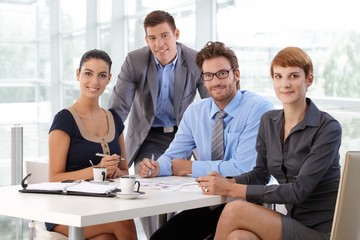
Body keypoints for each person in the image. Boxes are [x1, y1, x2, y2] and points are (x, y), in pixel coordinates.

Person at [197, 47, 342, 240]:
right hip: (292, 222)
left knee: (235, 209)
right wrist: (229, 182)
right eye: (278, 76)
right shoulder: (269, 121)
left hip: (324, 233)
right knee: (239, 237)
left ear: (308, 80)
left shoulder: (328, 128)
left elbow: (298, 191)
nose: (285, 84)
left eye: (293, 76)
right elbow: (260, 174)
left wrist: (230, 189)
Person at [140, 41, 274, 240]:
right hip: (208, 201)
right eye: (209, 76)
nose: (216, 82)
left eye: (222, 73)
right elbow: (173, 157)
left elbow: (244, 168)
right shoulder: (196, 111)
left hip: (246, 201)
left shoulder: (258, 109)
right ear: (203, 80)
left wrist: (189, 167)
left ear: (236, 75)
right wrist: (156, 167)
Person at [108, 10, 209, 238]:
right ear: (146, 40)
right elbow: (118, 110)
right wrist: (108, 151)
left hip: (184, 136)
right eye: (152, 38)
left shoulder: (195, 61)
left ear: (176, 34)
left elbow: (211, 106)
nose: (159, 43)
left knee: (180, 197)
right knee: (149, 191)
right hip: (148, 136)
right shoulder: (135, 61)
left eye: (164, 36)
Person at [46, 49, 137, 240]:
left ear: (109, 78)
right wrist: (97, 169)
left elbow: (124, 170)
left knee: (107, 238)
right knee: (124, 223)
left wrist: (116, 171)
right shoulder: (65, 119)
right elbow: (54, 178)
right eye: (88, 73)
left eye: (102, 75)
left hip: (102, 207)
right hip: (66, 210)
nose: (95, 82)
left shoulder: (114, 118)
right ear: (78, 74)